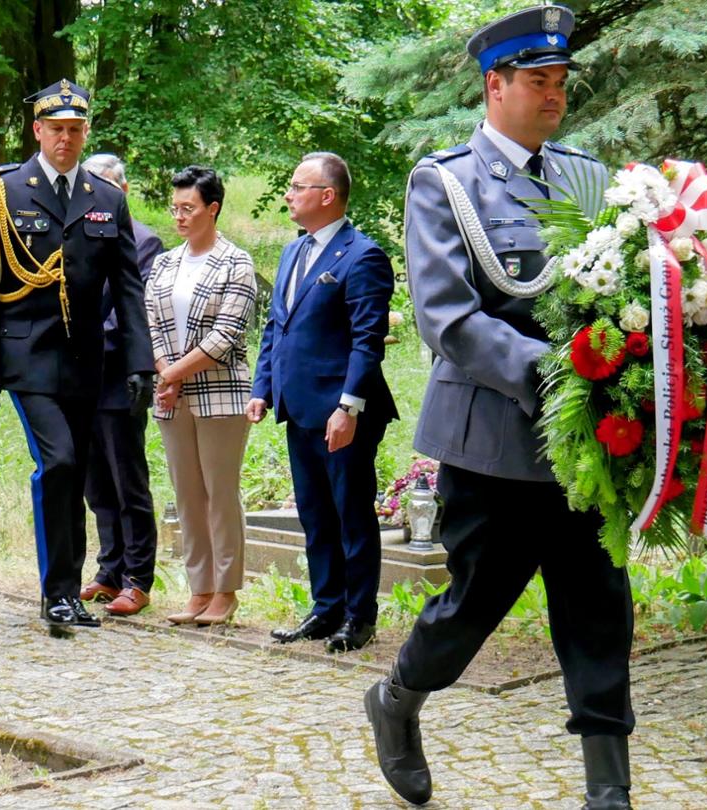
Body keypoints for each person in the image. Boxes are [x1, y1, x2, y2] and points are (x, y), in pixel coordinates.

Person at [365, 7, 635, 808]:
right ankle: (398, 698)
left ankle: (608, 792)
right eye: (539, 82)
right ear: (496, 86)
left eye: (561, 82)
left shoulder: (586, 176)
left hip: (587, 440)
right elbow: (448, 318)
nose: (555, 96)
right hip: (494, 440)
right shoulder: (443, 180)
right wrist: (556, 372)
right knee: (471, 608)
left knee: (598, 606)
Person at [0, 79, 154, 630]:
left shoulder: (106, 197)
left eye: (75, 130)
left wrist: (140, 362)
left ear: (85, 132)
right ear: (38, 131)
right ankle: (57, 593)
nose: (65, 139)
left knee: (77, 470)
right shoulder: (4, 191)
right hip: (27, 357)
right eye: (56, 130)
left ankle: (67, 589)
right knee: (60, 462)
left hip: (86, 359)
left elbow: (128, 288)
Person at [249, 152, 396, 653]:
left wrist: (348, 407)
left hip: (342, 410)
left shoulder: (363, 256)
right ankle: (325, 607)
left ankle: (359, 617)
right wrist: (262, 388)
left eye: (297, 186)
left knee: (350, 514)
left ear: (327, 195)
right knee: (314, 514)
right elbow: (277, 325)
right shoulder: (294, 252)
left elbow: (367, 339)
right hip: (300, 406)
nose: (288, 194)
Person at [145, 165, 256, 627]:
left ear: (212, 209)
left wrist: (172, 373)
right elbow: (152, 320)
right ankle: (199, 588)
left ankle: (226, 591)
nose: (180, 217)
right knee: (187, 493)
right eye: (175, 209)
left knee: (219, 491)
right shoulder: (165, 263)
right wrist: (165, 375)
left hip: (221, 396)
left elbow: (227, 334)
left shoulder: (237, 262)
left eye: (188, 208)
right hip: (173, 396)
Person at [77, 153, 163, 617]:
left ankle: (137, 577)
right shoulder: (77, 237)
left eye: (106, 187)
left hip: (119, 378)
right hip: (80, 380)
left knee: (128, 481)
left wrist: (83, 336)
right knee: (96, 485)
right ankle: (109, 570)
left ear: (123, 192)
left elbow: (132, 314)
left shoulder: (145, 242)